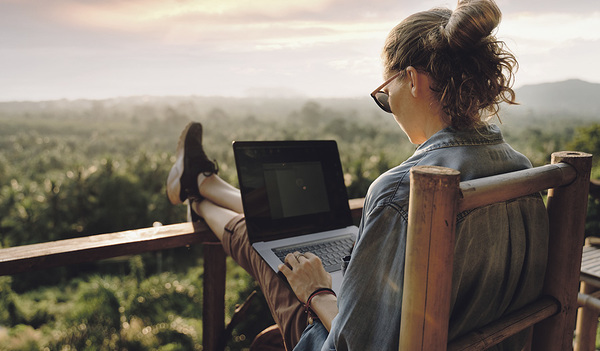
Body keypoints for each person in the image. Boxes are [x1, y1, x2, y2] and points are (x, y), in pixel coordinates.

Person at [166, 0, 549, 350]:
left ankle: (198, 193)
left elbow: (355, 346)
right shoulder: (522, 171)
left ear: (413, 80)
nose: (390, 106)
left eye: (385, 94)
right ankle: (202, 185)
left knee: (268, 247)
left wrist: (316, 291)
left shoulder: (404, 190)